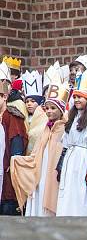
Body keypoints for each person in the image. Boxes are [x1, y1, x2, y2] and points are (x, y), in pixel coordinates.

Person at [10, 87, 67, 217]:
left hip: (53, 173)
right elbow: (36, 152)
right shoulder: (46, 128)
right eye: (46, 108)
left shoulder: (64, 129)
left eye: (53, 108)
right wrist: (19, 160)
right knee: (39, 195)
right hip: (40, 171)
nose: (49, 111)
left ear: (61, 110)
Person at [56, 71, 87, 216]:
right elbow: (65, 146)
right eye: (75, 97)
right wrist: (60, 166)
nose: (76, 100)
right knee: (67, 196)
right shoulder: (73, 117)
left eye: (80, 97)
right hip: (70, 162)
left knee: (81, 197)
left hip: (83, 160)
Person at [0, 64, 28, 215]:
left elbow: (16, 146)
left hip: (6, 176)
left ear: (4, 96)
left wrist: (13, 163)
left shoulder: (12, 116)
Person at [24, 90, 47, 156]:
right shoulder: (25, 117)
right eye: (27, 101)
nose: (29, 104)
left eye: (33, 101)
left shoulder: (45, 117)